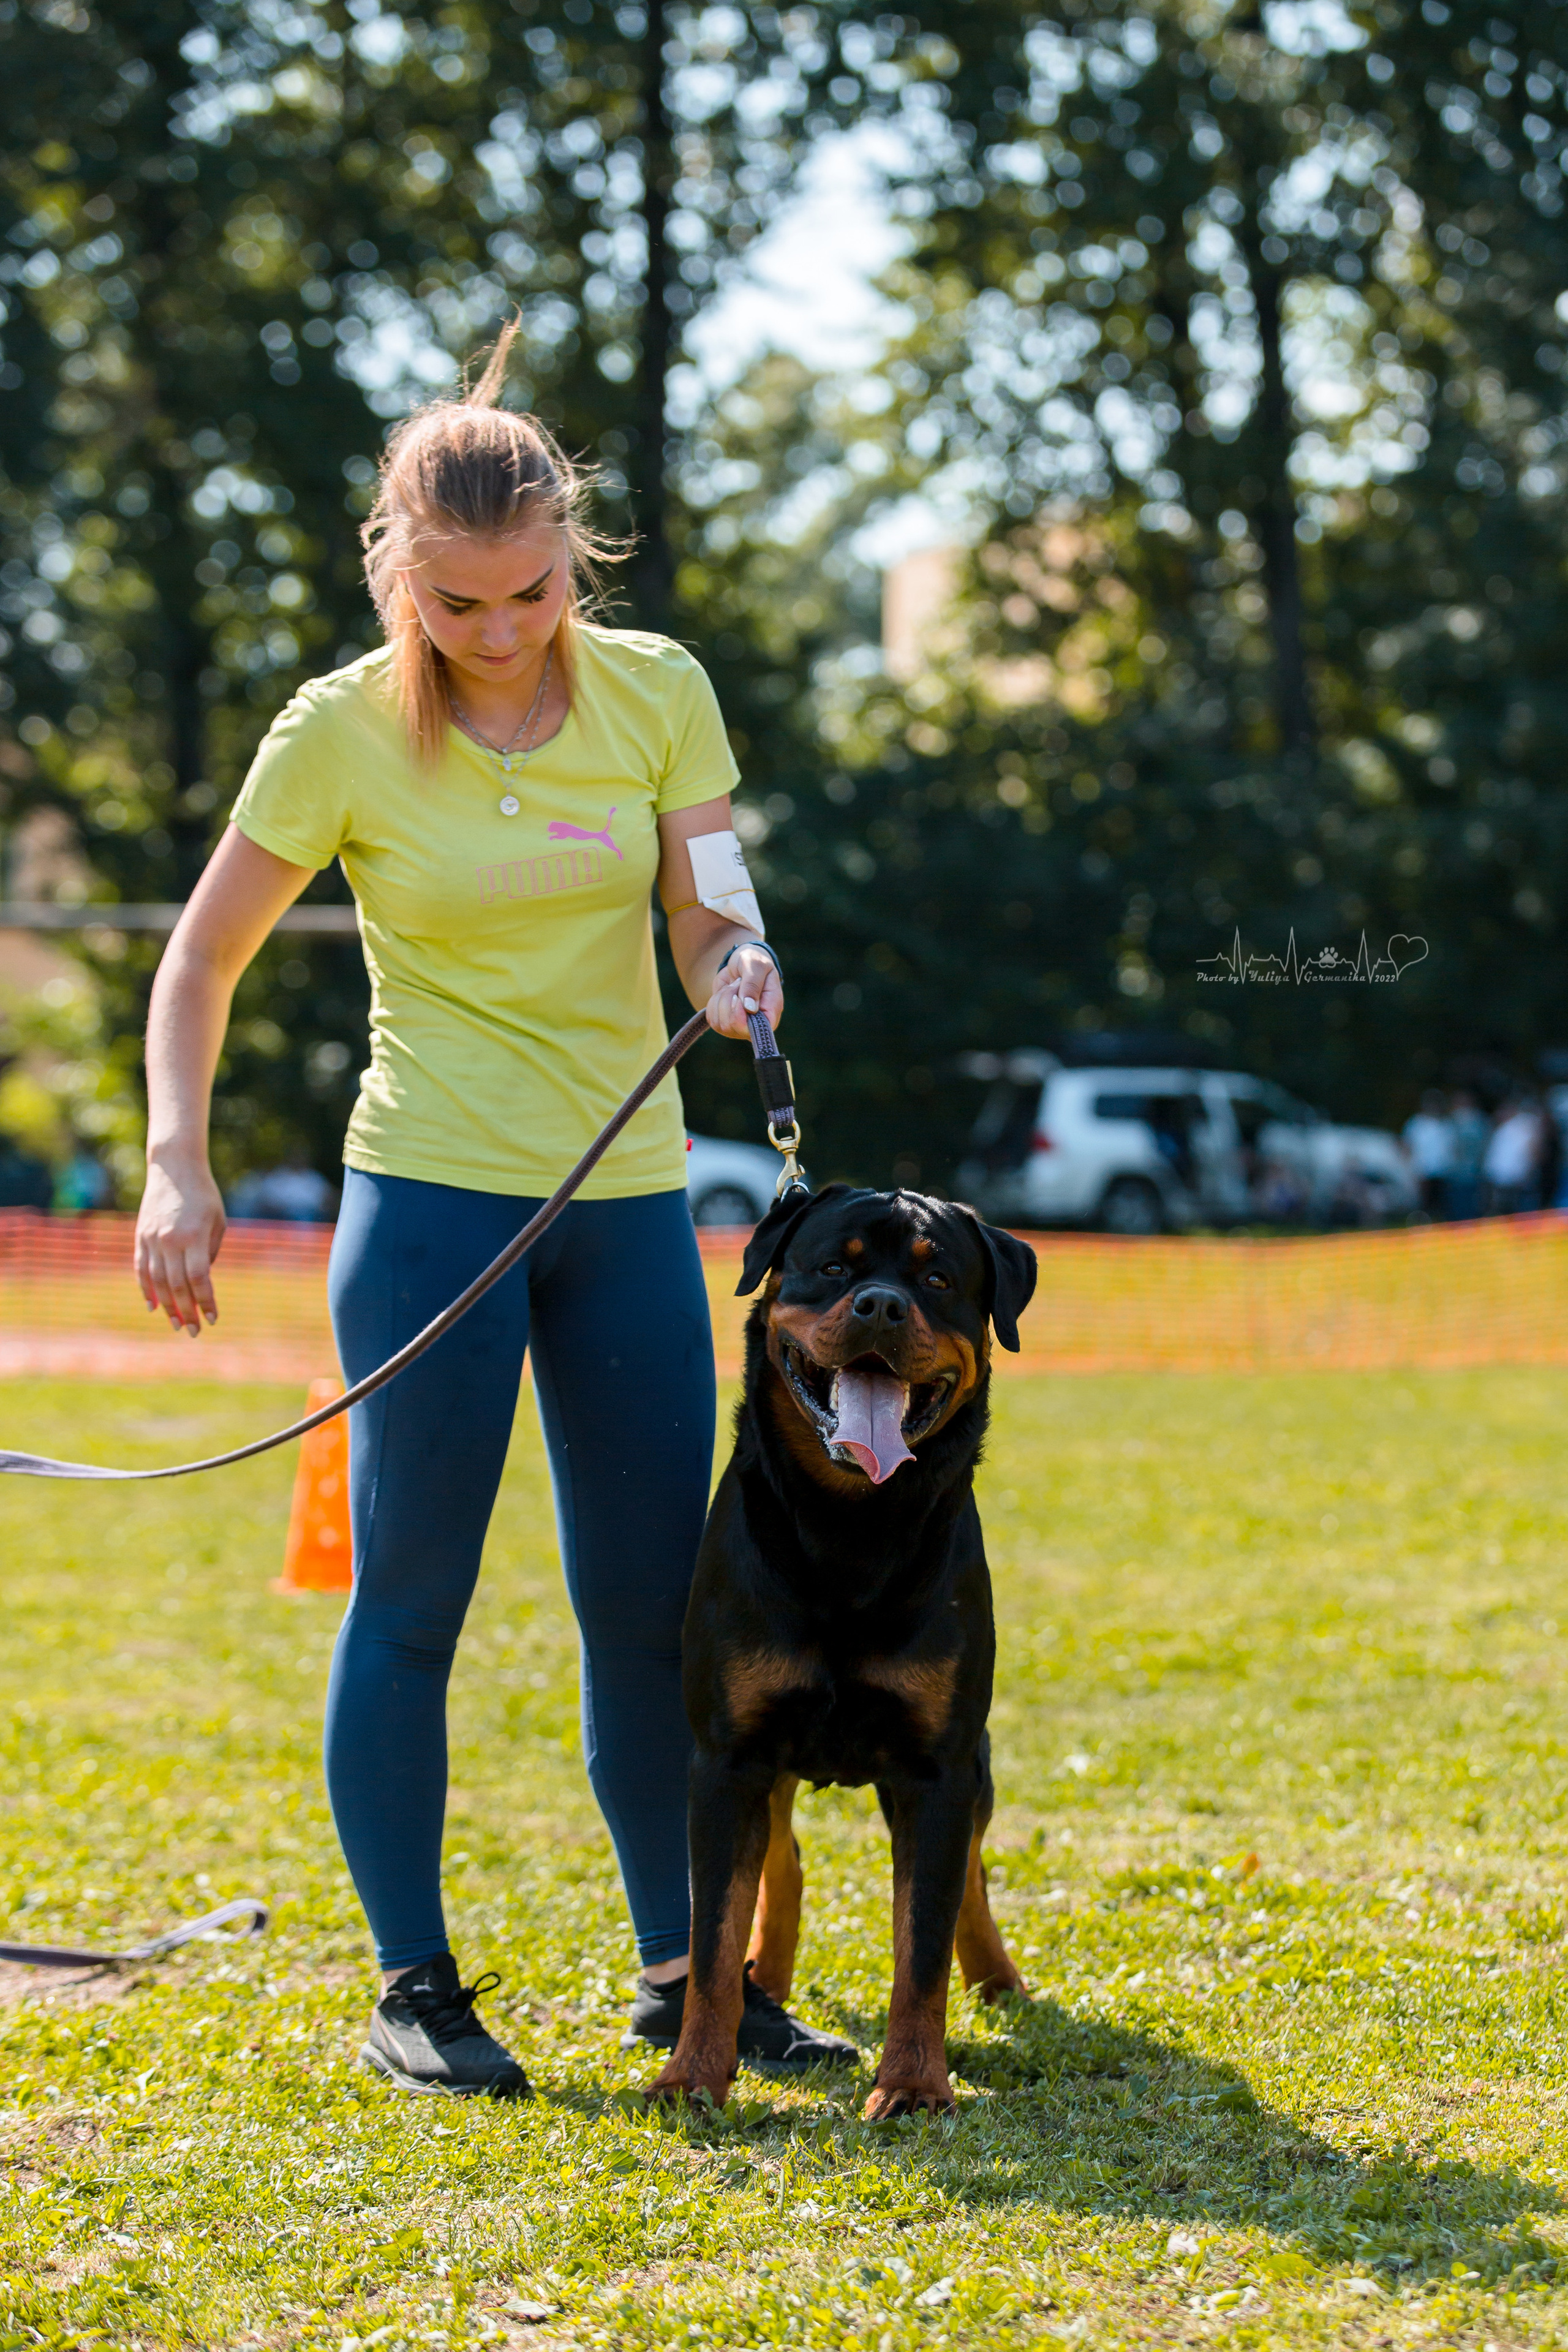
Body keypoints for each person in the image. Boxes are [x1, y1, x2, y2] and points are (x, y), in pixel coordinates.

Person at [132, 326, 853, 2098]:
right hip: (428, 1201)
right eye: (457, 603)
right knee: (411, 1602)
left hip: (624, 1200)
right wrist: (175, 1158)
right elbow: (200, 960)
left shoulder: (659, 693)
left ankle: (688, 1975)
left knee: (652, 1610)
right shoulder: (336, 732)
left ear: (569, 556)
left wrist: (734, 960)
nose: (501, 629)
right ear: (399, 570)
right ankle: (416, 1988)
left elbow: (707, 907)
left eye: (530, 592)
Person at [1482, 1095, 1544, 1216]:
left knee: (1518, 1213)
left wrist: (1529, 1172)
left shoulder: (1525, 1123)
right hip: (1501, 1178)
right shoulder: (1505, 1127)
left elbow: (1534, 1149)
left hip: (1515, 1178)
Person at [1401, 1089, 1453, 1221]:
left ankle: (1439, 1220)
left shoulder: (1446, 1125)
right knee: (1423, 1200)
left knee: (1441, 1201)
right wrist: (1410, 1168)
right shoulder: (1416, 1123)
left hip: (1442, 1170)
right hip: (1422, 1170)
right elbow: (1407, 1146)